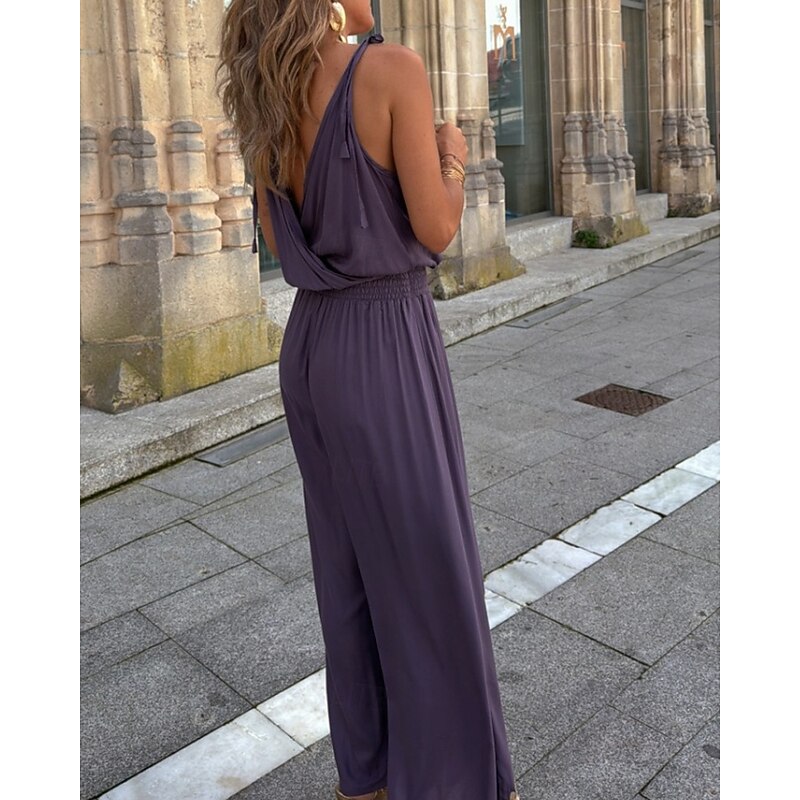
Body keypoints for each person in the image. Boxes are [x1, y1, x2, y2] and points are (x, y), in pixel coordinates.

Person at [218, 3, 520, 799]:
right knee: (429, 570)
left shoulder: (263, 92)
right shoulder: (391, 71)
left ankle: (369, 775)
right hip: (384, 340)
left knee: (347, 568)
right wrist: (453, 157)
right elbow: (437, 228)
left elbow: (280, 242)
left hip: (311, 346)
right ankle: (452, 782)